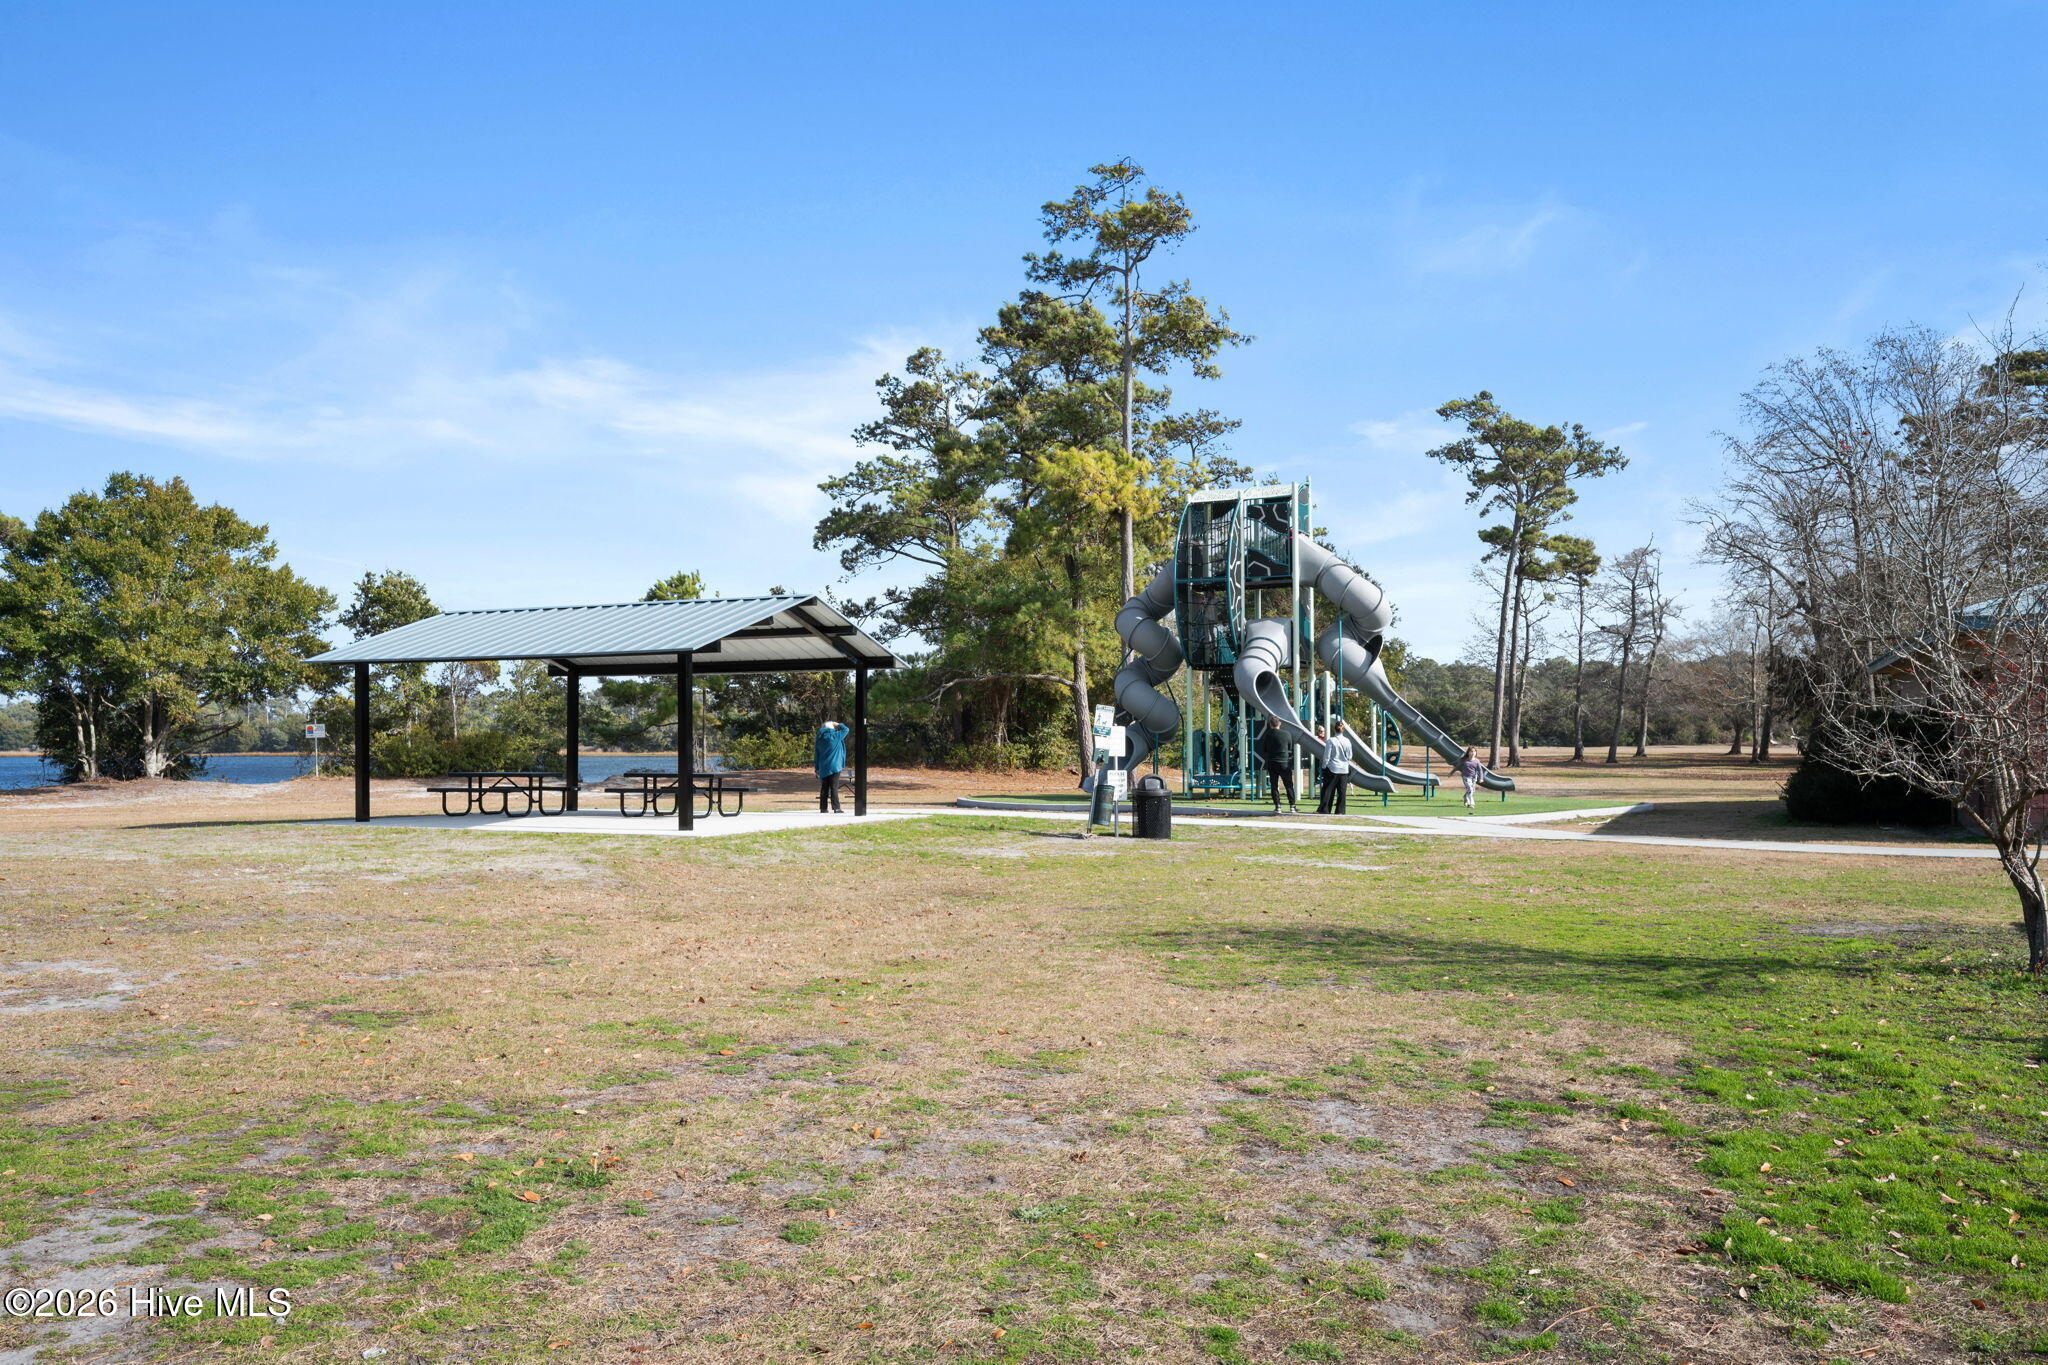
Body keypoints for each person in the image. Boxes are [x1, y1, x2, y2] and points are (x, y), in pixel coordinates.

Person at [1254, 721, 1298, 813]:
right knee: (1289, 785)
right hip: (1284, 762)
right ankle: (1292, 806)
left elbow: (1264, 749)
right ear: (1280, 724)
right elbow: (1290, 748)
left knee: (1274, 785)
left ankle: (1278, 806)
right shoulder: (1287, 734)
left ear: (1270, 725)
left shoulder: (1268, 735)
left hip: (1272, 762)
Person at [1315, 724, 1352, 815]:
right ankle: (1340, 811)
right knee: (1342, 792)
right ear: (1343, 730)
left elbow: (1327, 756)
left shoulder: (1330, 741)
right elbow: (1350, 756)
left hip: (1332, 768)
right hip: (1344, 769)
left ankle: (1325, 809)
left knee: (1328, 790)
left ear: (1334, 730)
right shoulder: (1347, 741)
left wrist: (1324, 766)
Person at [813, 720, 848, 813]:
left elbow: (816, 755)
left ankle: (823, 808)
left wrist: (816, 768)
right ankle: (836, 808)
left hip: (823, 766)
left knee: (824, 787)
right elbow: (846, 730)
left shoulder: (819, 739)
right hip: (835, 766)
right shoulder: (836, 736)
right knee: (834, 787)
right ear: (832, 728)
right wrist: (837, 723)